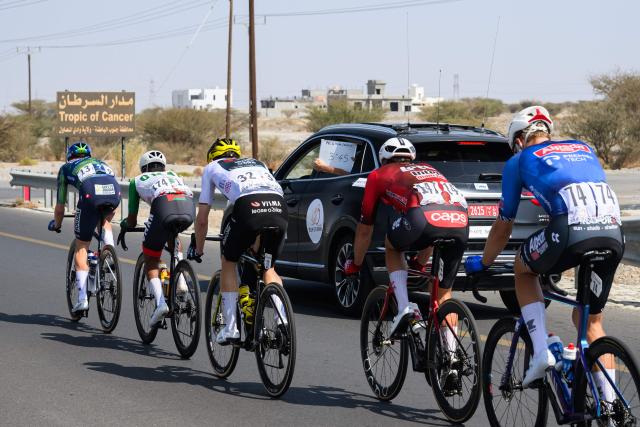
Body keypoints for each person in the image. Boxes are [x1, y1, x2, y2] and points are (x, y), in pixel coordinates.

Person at [465, 106, 624, 393]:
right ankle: (611, 408)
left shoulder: (519, 160)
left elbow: (503, 227)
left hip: (570, 231)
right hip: (613, 233)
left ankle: (541, 351)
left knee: (522, 269)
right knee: (589, 321)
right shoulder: (583, 147)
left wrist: (485, 263)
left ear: (518, 141)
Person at [344, 137, 469, 346]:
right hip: (461, 221)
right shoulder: (428, 168)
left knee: (392, 245)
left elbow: (365, 229)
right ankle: (452, 359)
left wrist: (355, 264)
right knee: (444, 294)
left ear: (383, 160)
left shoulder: (377, 175)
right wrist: (419, 264)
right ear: (411, 158)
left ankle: (404, 308)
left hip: (423, 218)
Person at [188, 138, 288, 345]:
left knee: (228, 260)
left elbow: (203, 218)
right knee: (268, 267)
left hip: (249, 206)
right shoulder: (256, 163)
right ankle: (283, 322)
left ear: (212, 156)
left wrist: (198, 248)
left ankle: (231, 328)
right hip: (279, 207)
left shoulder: (211, 168)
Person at [121, 150, 195, 326]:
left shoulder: (136, 181)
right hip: (188, 206)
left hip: (163, 206)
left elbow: (132, 219)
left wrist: (126, 225)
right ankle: (182, 281)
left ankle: (161, 304)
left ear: (143, 168)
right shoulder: (174, 175)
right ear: (163, 167)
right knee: (173, 236)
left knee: (151, 257)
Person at [48, 141, 121, 312]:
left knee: (81, 246)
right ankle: (109, 251)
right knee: (104, 220)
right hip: (114, 192)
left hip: (90, 193)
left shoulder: (66, 168)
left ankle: (82, 299)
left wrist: (57, 224)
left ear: (70, 156)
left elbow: (60, 206)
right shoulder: (101, 163)